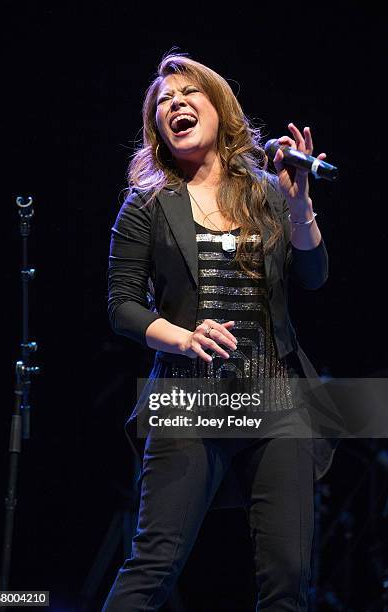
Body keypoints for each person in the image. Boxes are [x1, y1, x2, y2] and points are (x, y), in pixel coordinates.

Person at [102, 52, 342, 611]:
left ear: (219, 107)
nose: (175, 104)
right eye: (164, 102)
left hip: (277, 400)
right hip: (190, 398)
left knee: (289, 578)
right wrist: (184, 337)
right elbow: (122, 306)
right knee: (154, 566)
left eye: (188, 94)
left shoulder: (266, 192)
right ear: (157, 128)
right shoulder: (148, 205)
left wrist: (299, 203)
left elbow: (313, 276)